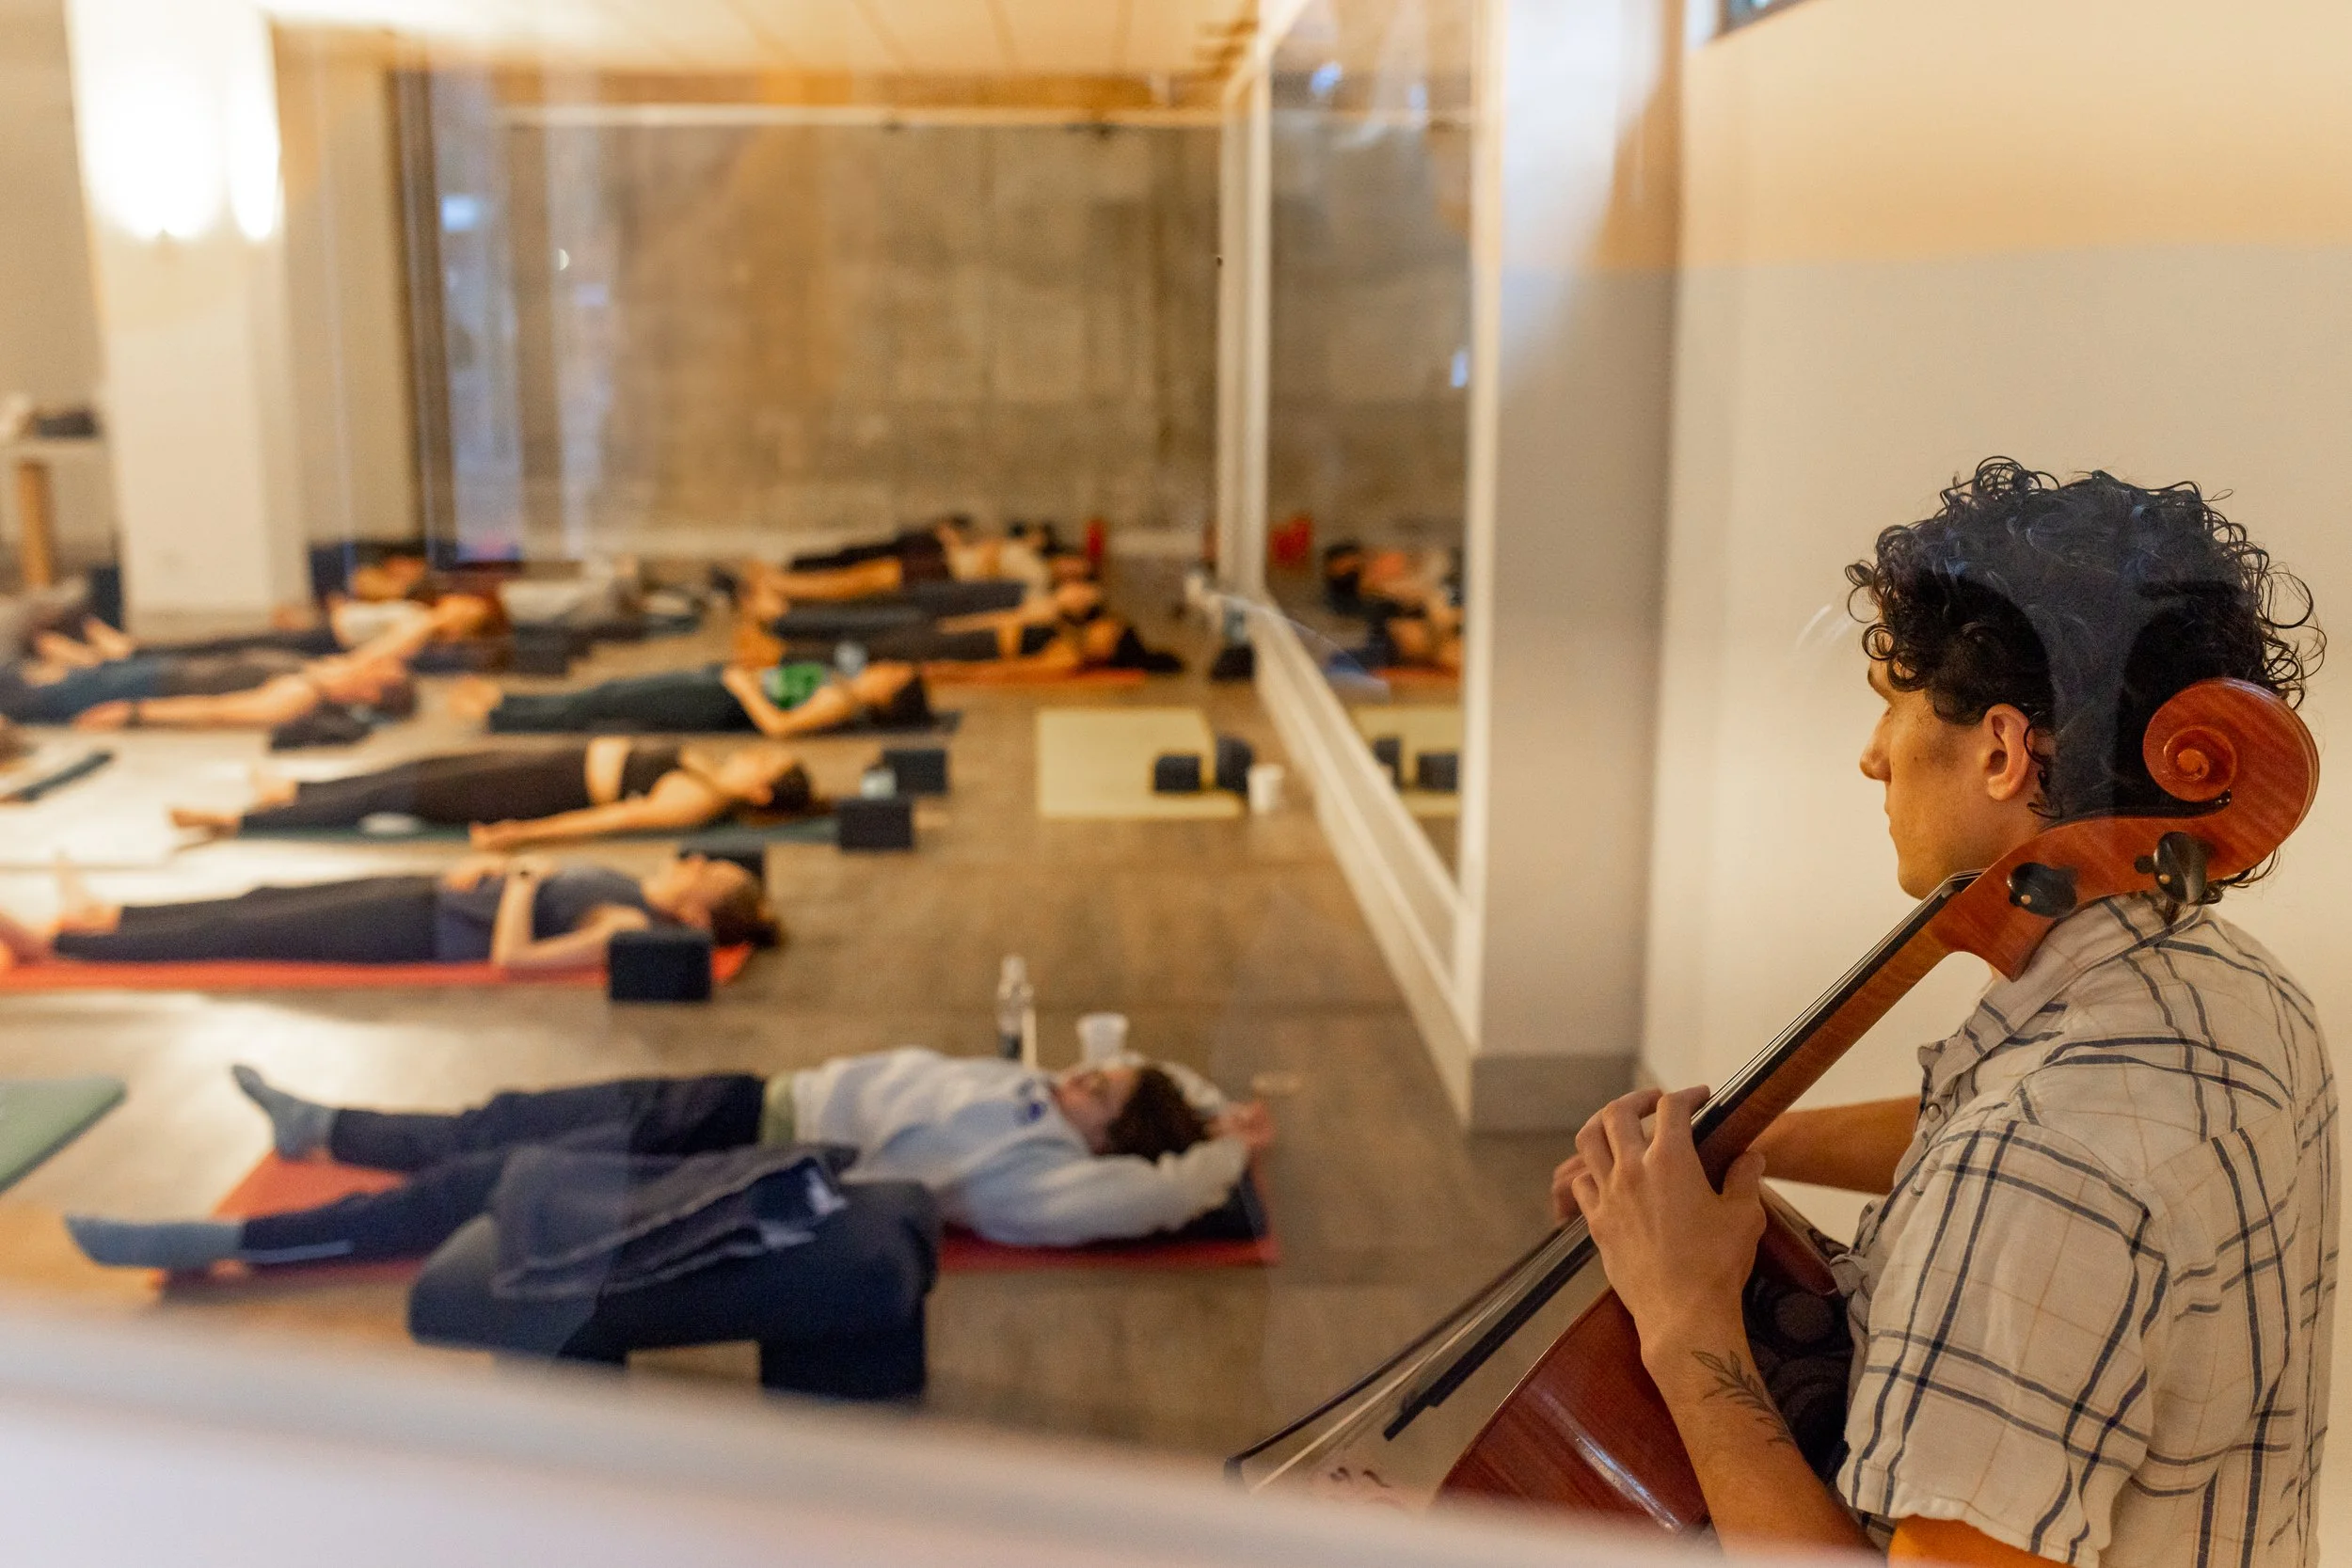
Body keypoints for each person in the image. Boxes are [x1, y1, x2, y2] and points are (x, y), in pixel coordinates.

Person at [1549, 460, 2331, 1567]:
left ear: (2002, 751)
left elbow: (2028, 1167)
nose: (1871, 755)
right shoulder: (2235, 990)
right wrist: (1755, 1142)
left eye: (1893, 705)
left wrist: (1685, 1324)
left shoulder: (2037, 1167)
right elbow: (1996, 1125)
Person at [62, 1048, 1278, 1269]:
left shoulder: (1045, 1175)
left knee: (488, 1185)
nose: (1080, 1071)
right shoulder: (1041, 1095)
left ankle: (234, 1240)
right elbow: (1152, 1063)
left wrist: (1214, 1158)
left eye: (1098, 1089)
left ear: (1111, 1137)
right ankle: (323, 1127)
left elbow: (1148, 1200)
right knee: (509, 1111)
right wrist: (1216, 1102)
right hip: (745, 1092)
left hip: (753, 1156)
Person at [0, 850, 779, 973]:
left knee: (247, 933)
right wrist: (499, 868)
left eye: (705, 871)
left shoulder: (630, 927)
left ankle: (61, 946)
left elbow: (513, 959)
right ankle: (111, 913)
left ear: (698, 918)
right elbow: (536, 880)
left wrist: (517, 884)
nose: (692, 861)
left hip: (421, 932)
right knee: (262, 898)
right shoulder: (634, 887)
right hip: (431, 893)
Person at [167, 739, 816, 850]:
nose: (755, 754)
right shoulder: (707, 771)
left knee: (398, 795)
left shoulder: (696, 801)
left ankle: (240, 822)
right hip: (539, 765)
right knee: (410, 769)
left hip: (531, 790)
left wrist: (521, 834)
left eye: (766, 762)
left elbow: (608, 822)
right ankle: (297, 788)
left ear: (760, 791)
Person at [0, 596, 480, 731]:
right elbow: (381, 651)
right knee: (31, 686)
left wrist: (134, 714)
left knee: (24, 696)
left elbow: (221, 710)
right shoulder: (324, 675)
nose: (372, 665)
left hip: (153, 685)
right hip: (149, 674)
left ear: (370, 694)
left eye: (380, 673)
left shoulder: (301, 695)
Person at [447, 657, 934, 737]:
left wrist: (744, 688)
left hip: (719, 703)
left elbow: (780, 728)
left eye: (894, 673)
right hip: (719, 688)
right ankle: (508, 703)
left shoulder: (841, 702)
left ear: (889, 694)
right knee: (611, 694)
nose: (885, 666)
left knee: (610, 703)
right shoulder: (841, 685)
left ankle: (505, 714)